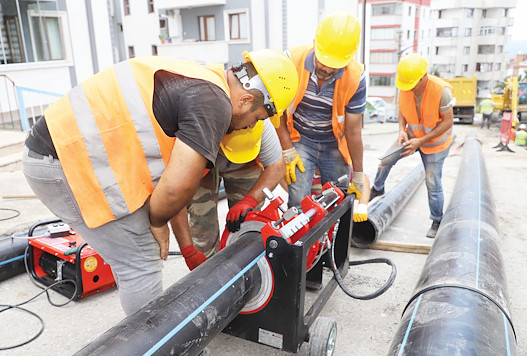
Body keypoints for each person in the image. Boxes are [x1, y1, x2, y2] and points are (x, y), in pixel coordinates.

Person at [21, 50, 298, 316]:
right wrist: (158, 223)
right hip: (63, 159)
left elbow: (171, 184)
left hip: (67, 151)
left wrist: (247, 201)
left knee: (131, 255)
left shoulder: (207, 77)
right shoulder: (214, 102)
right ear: (246, 101)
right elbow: (177, 188)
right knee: (141, 261)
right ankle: (153, 346)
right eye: (257, 118)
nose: (252, 126)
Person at [276, 11, 370, 223]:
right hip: (301, 139)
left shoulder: (356, 78)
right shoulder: (291, 61)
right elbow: (278, 111)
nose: (326, 68)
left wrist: (359, 174)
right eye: (323, 60)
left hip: (333, 144)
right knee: (298, 199)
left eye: (334, 64)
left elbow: (354, 131)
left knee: (338, 199)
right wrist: (287, 149)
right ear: (315, 44)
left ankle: (333, 248)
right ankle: (302, 249)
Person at [170, 119, 285, 270]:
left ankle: (246, 267)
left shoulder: (261, 123)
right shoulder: (197, 129)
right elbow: (174, 198)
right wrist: (188, 250)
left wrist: (249, 201)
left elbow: (277, 167)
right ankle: (208, 274)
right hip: (204, 158)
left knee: (248, 222)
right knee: (202, 223)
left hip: (246, 162)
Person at [369, 53, 454, 238]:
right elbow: (402, 109)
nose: (411, 88)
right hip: (411, 136)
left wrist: (420, 142)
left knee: (433, 182)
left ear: (424, 77)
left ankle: (437, 219)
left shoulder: (441, 90)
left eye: (414, 84)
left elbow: (448, 122)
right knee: (385, 160)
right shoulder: (405, 86)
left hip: (435, 144)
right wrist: (401, 130)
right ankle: (377, 188)